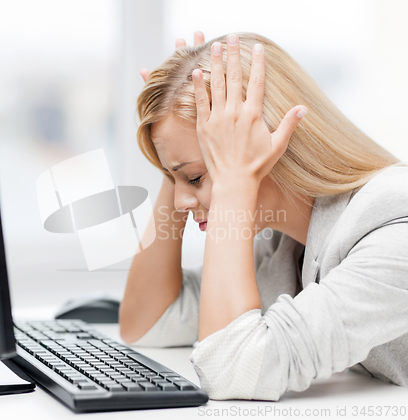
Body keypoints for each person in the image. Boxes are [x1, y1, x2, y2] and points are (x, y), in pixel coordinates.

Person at [119, 31, 408, 401]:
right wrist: (175, 154)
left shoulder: (392, 223)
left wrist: (234, 179)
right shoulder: (284, 247)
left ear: (271, 145)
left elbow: (234, 368)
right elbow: (148, 322)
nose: (179, 203)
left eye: (194, 177)